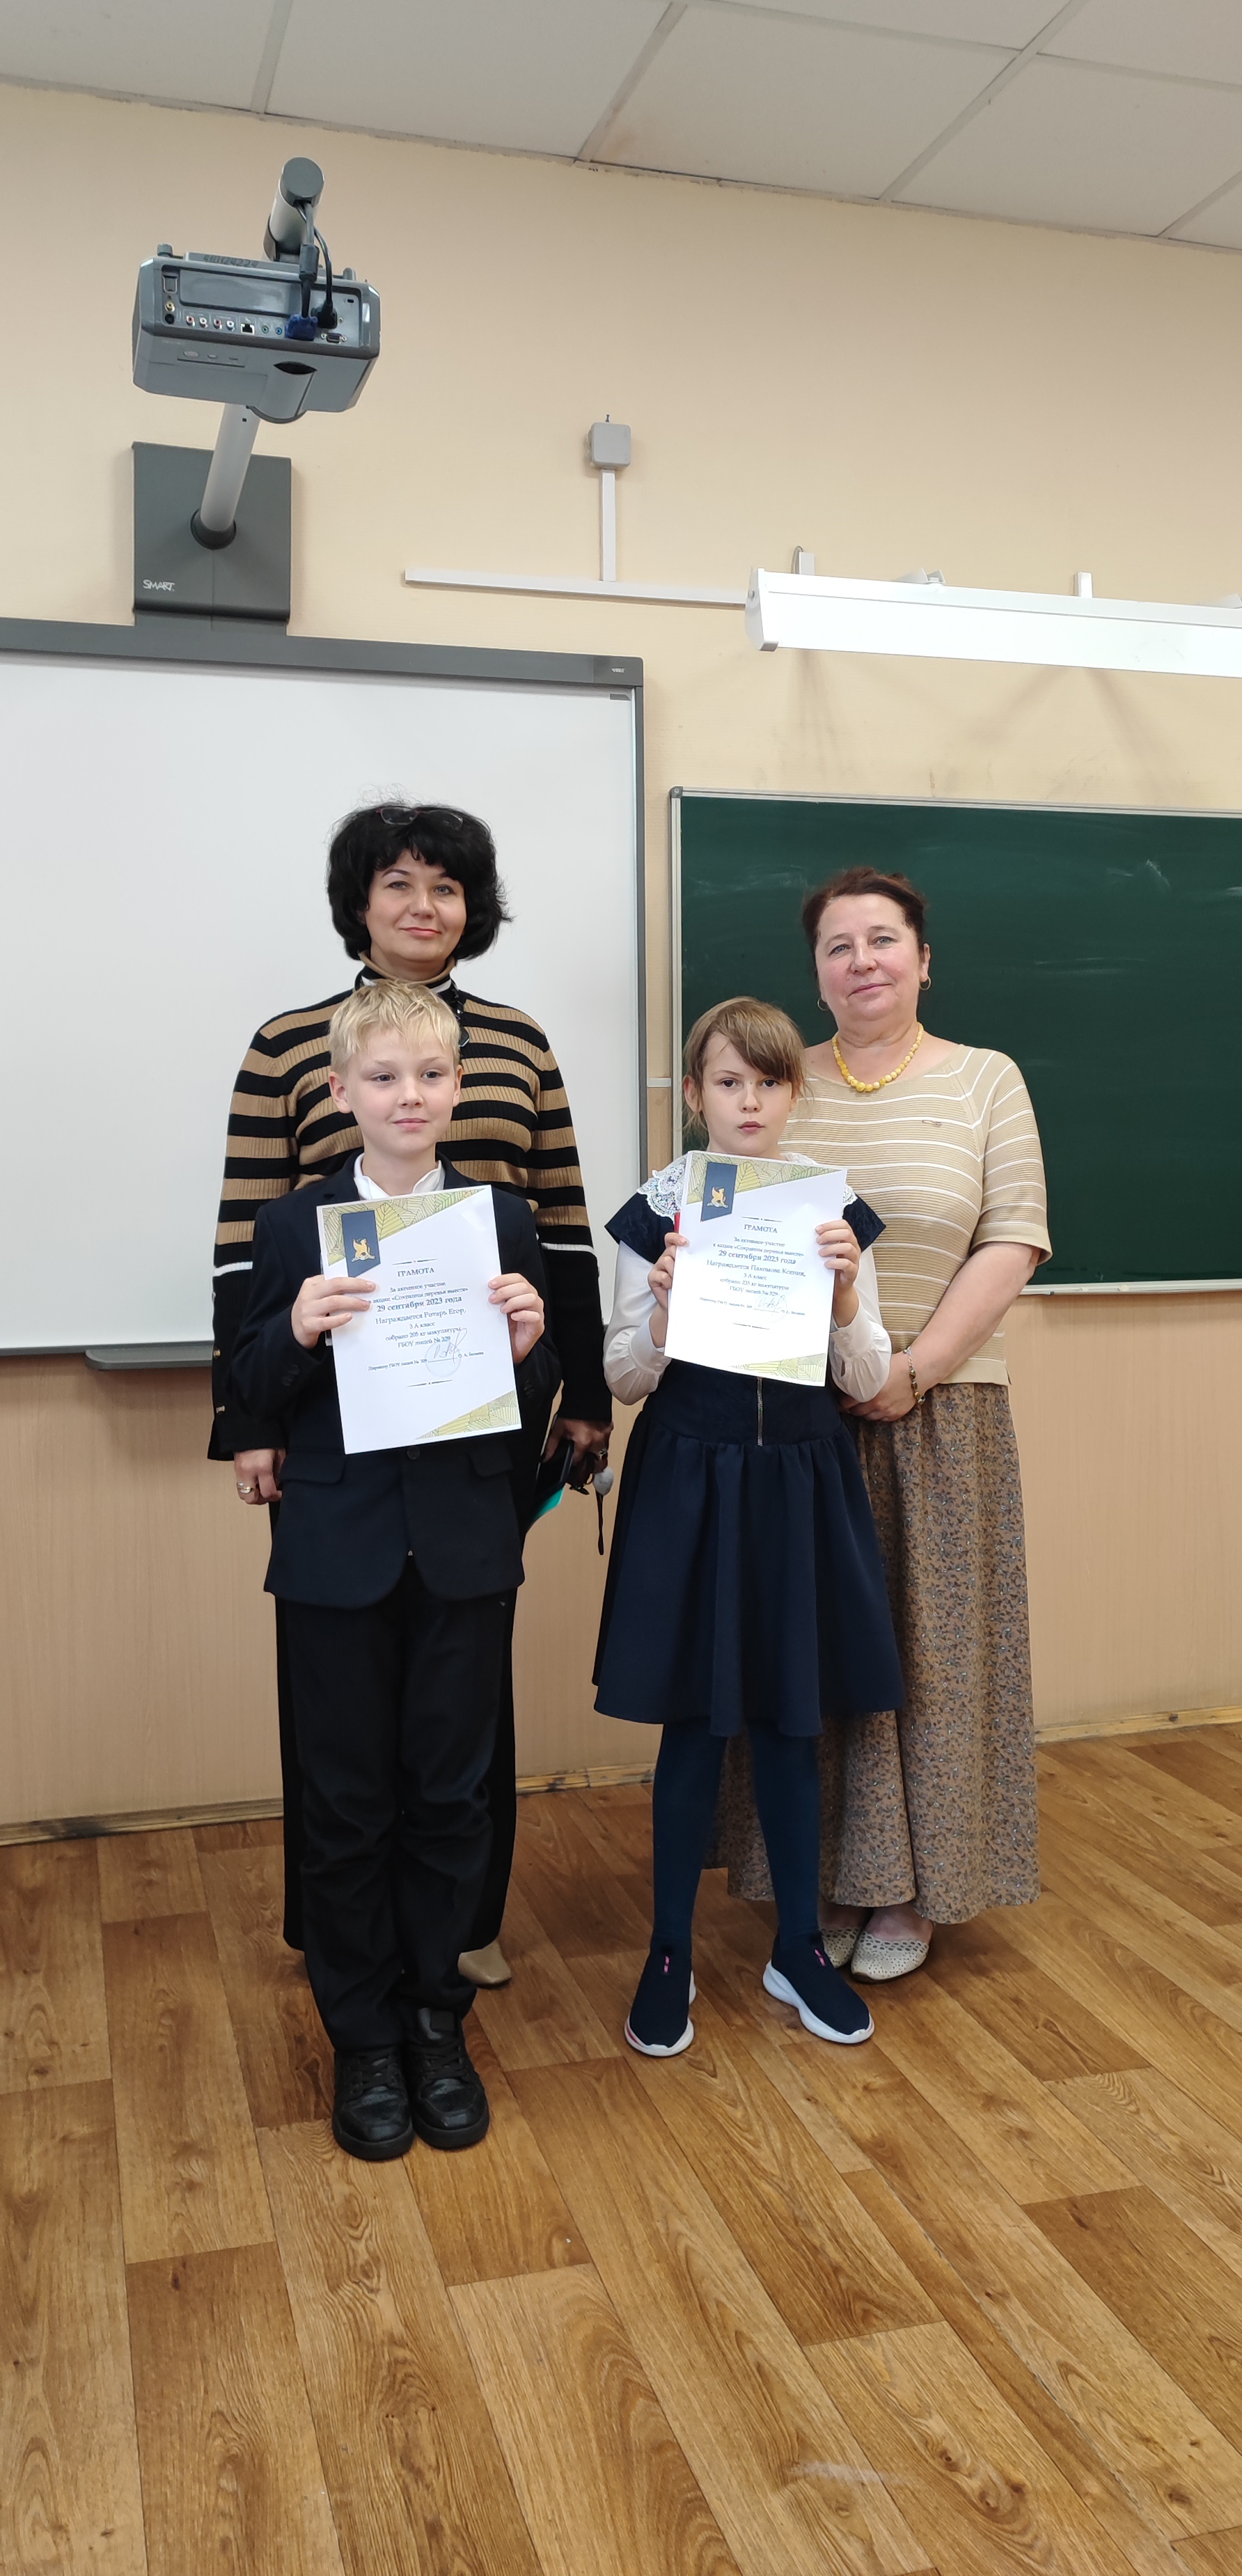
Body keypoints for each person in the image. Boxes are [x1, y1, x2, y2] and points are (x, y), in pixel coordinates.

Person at [211, 802, 611, 1978]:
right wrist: (248, 1420)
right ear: (361, 903)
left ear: (472, 908)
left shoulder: (518, 1042)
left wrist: (583, 1391)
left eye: (446, 886)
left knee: (461, 1695)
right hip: (334, 1422)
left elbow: (564, 1228)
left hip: (482, 1413)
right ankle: (340, 1938)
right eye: (398, 883)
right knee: (337, 1704)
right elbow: (244, 1246)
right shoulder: (289, 1043)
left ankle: (461, 1932)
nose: (423, 905)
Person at [231, 978, 558, 2160]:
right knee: (346, 1799)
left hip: (464, 1547)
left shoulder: (500, 1220)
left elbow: (527, 1402)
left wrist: (530, 1344)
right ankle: (363, 2036)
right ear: (340, 1093)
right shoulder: (294, 1229)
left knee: (450, 1793)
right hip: (337, 1551)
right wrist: (295, 1329)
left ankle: (433, 2018)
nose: (407, 1096)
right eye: (382, 1077)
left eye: (429, 1076)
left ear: (457, 1089)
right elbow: (247, 1384)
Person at [714, 867, 1050, 1981]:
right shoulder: (775, 1080)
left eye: (883, 940)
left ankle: (913, 1889)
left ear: (923, 959)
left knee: (930, 1652)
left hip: (942, 1414)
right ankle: (819, 1880)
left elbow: (1014, 1237)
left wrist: (916, 1369)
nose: (862, 961)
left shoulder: (987, 1079)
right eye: (838, 946)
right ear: (815, 972)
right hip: (791, 1418)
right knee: (808, 1653)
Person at [594, 996, 904, 2058]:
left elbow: (867, 1372)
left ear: (793, 1092)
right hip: (692, 1481)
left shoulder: (832, 1210)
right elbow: (623, 1375)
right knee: (691, 1724)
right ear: (695, 1095)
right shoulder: (657, 1211)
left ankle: (800, 1947)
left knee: (790, 1720)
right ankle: (667, 1953)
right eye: (729, 1082)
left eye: (769, 1082)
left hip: (800, 1481)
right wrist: (665, 1306)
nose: (750, 1101)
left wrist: (848, 1295)